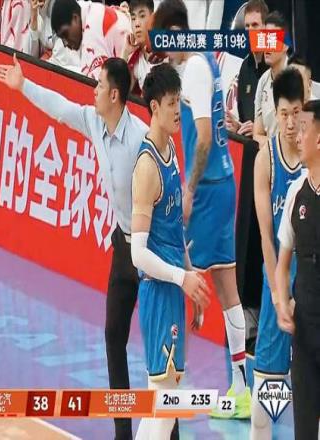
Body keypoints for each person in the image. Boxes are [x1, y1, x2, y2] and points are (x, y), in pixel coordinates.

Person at [0, 54, 178, 440]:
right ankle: (123, 432)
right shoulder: (94, 121)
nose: (93, 91)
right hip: (122, 248)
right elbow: (60, 108)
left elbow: (166, 187)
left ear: (115, 95)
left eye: (99, 85)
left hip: (150, 252)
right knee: (113, 336)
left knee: (160, 355)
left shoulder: (141, 140)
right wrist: (23, 85)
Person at [154, 0, 251, 418]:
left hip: (208, 190)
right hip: (225, 183)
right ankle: (241, 388)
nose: (163, 50)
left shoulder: (193, 67)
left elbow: (205, 137)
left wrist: (189, 190)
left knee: (181, 279)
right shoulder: (206, 59)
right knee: (228, 290)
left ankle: (174, 382)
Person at [130, 63, 208, 439]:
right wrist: (181, 278)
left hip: (174, 287)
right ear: (155, 107)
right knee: (165, 409)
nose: (179, 110)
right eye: (172, 103)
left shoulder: (171, 150)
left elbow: (175, 229)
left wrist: (189, 277)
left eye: (180, 101)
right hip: (158, 292)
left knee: (162, 407)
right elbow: (138, 253)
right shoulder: (147, 167)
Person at [251, 67, 304, 439]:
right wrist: (277, 293)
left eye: (295, 113)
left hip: (311, 287)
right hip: (278, 289)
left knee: (309, 396)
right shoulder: (266, 160)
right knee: (265, 402)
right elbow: (266, 238)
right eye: (283, 114)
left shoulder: (315, 156)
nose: (289, 122)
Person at [275, 99, 320, 440]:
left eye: (303, 127)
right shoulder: (296, 194)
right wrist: (282, 302)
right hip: (304, 331)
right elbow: (282, 265)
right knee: (303, 430)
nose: (296, 135)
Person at [50, 0, 130, 79]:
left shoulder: (92, 31)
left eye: (65, 34)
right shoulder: (87, 9)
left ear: (75, 18)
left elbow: (98, 85)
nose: (65, 44)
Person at [226, 0, 269, 136]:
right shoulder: (245, 67)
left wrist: (259, 129)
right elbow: (245, 118)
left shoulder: (276, 65)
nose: (250, 30)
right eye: (247, 26)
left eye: (255, 25)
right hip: (248, 143)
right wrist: (238, 126)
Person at [253, 11, 290, 146]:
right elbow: (257, 134)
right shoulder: (263, 81)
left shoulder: (298, 78)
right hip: (270, 154)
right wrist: (276, 148)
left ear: (285, 45)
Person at [25, 0, 80, 71]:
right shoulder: (37, 8)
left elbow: (60, 63)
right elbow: (29, 57)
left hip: (71, 69)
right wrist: (33, 18)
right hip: (53, 65)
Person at [121, 0, 156, 93]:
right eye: (133, 18)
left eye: (142, 16)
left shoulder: (166, 46)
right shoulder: (136, 59)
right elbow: (120, 91)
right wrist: (125, 52)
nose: (137, 24)